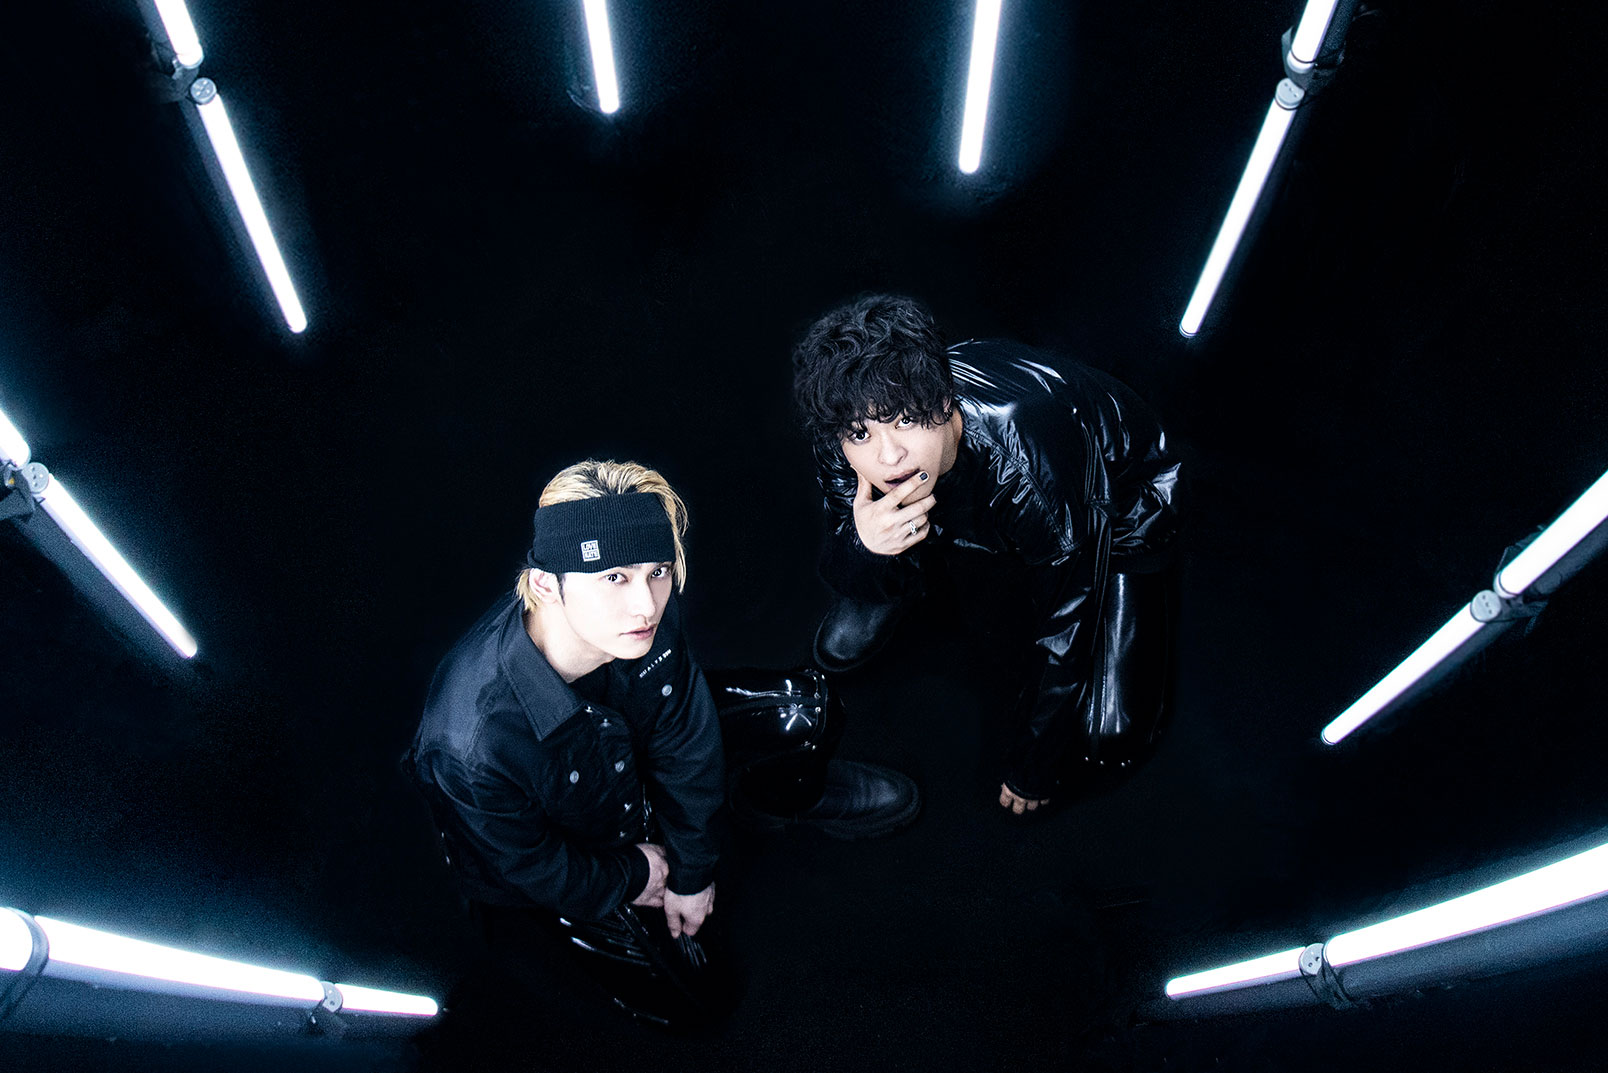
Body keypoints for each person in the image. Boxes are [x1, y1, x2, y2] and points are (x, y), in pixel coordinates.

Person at [793, 295, 1182, 815]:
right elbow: (839, 546)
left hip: (1124, 501)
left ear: (942, 402)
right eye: (863, 433)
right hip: (977, 492)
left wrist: (1033, 765)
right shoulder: (844, 424)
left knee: (1108, 732)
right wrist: (867, 547)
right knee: (870, 547)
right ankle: (895, 566)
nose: (887, 456)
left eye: (904, 420)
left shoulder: (1034, 480)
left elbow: (1067, 629)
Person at [405, 459, 726, 1026]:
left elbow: (686, 740)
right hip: (552, 879)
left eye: (657, 571)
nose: (647, 605)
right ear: (544, 585)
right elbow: (531, 866)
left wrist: (692, 870)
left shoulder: (645, 623)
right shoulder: (473, 744)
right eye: (613, 577)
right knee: (678, 999)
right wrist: (637, 875)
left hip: (631, 800)